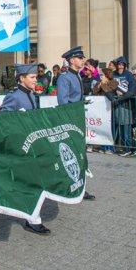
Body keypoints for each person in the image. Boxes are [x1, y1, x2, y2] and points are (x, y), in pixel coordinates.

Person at [0, 63, 51, 235]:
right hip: (20, 146)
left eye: (36, 77)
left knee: (30, 181)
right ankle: (33, 220)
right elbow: (3, 118)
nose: (36, 80)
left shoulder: (32, 95)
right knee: (31, 183)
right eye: (32, 77)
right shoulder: (14, 96)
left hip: (32, 146)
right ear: (22, 78)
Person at [56, 46, 95, 201]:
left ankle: (79, 186)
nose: (82, 60)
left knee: (79, 154)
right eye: (79, 58)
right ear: (72, 60)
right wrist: (68, 121)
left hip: (77, 119)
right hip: (70, 121)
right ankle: (68, 185)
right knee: (70, 155)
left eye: (82, 57)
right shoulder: (64, 77)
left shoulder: (77, 75)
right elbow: (63, 102)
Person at [112, 57, 136, 156]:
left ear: (125, 65)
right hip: (115, 105)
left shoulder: (129, 75)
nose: (120, 66)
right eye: (119, 64)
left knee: (126, 128)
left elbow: (132, 90)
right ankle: (122, 147)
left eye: (122, 64)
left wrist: (120, 98)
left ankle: (129, 148)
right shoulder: (113, 74)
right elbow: (107, 87)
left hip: (126, 104)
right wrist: (113, 98)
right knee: (118, 127)